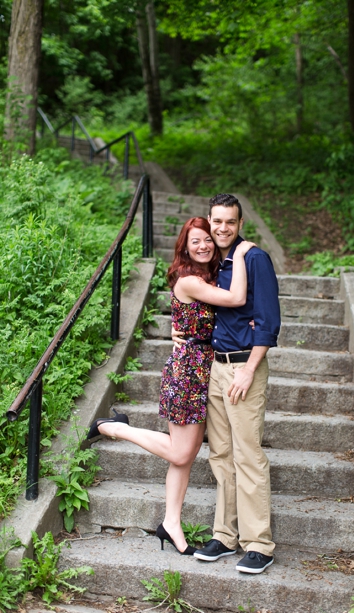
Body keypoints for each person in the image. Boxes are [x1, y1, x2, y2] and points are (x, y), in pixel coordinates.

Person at [87, 216, 255, 555]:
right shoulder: (189, 279)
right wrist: (239, 254)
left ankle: (171, 524)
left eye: (208, 239)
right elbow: (236, 298)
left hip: (208, 369)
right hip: (188, 371)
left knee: (184, 458)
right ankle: (113, 428)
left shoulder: (209, 277)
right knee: (181, 452)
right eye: (196, 241)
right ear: (184, 246)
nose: (204, 245)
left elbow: (222, 314)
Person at [176, 193, 281, 575]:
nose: (222, 228)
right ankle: (225, 535)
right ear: (209, 219)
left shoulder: (253, 258)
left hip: (242, 369)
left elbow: (268, 321)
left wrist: (250, 369)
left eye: (230, 222)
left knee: (247, 454)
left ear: (240, 223)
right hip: (214, 369)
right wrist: (179, 333)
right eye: (216, 221)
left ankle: (259, 543)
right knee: (220, 453)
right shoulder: (215, 262)